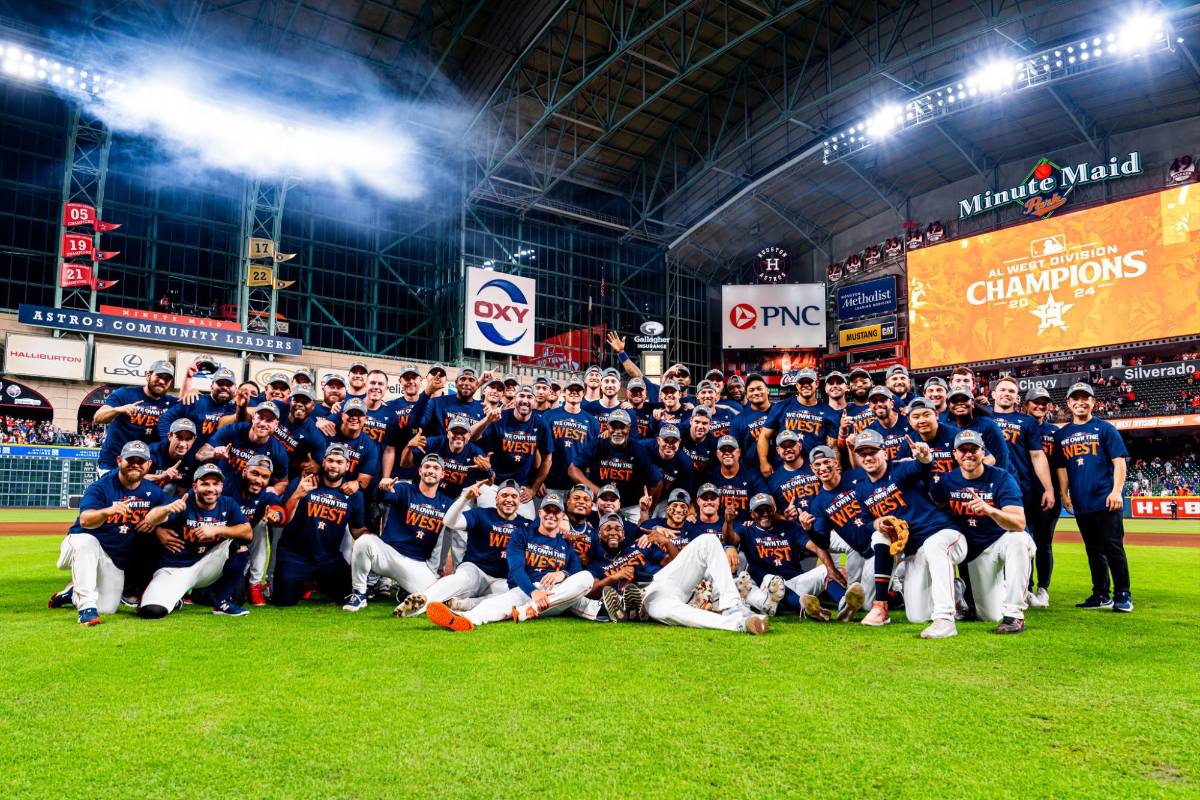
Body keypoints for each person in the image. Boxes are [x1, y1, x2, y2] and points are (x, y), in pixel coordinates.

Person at [852, 428, 966, 638]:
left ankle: (945, 619)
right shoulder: (861, 489)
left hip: (943, 534)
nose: (868, 457)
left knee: (934, 546)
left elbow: (921, 467)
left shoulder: (900, 469)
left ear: (884, 452)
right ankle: (955, 589)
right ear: (857, 457)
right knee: (917, 616)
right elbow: (866, 522)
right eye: (862, 453)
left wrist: (925, 457)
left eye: (873, 451)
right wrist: (876, 521)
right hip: (915, 550)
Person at [425, 492, 595, 631]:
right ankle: (464, 619)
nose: (551, 515)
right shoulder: (522, 535)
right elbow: (516, 569)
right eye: (547, 510)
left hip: (555, 594)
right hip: (527, 590)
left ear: (561, 516)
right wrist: (533, 592)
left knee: (586, 577)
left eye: (556, 511)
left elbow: (577, 572)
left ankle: (530, 610)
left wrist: (562, 574)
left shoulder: (566, 544)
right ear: (540, 513)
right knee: (498, 603)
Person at [49, 440, 167, 625]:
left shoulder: (152, 492)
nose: (135, 464)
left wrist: (157, 524)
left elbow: (165, 513)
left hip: (112, 559)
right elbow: (85, 520)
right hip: (78, 546)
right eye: (130, 459)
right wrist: (107, 511)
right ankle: (86, 608)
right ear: (119, 461)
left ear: (148, 465)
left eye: (141, 460)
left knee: (107, 608)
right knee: (87, 542)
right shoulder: (101, 487)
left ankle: (72, 593)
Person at [928, 430, 1033, 634]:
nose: (968, 454)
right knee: (989, 615)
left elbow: (1019, 523)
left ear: (982, 452)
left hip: (1000, 539)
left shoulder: (1002, 478)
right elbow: (935, 505)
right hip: (975, 551)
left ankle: (1014, 614)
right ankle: (959, 588)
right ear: (955, 454)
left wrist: (990, 509)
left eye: (973, 449)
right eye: (963, 450)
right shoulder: (948, 481)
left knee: (1020, 540)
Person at [394, 478, 529, 617]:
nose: (509, 499)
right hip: (475, 570)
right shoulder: (481, 514)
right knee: (461, 579)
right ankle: (422, 600)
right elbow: (449, 522)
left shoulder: (526, 525)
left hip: (502, 579)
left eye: (514, 496)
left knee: (516, 594)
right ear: (496, 498)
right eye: (504, 495)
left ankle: (463, 604)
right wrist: (465, 498)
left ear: (519, 501)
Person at [1054, 382, 1132, 612]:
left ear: (1093, 402)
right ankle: (1100, 593)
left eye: (1085, 398)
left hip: (1105, 500)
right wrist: (1064, 494)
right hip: (1081, 502)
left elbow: (1119, 462)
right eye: (1075, 398)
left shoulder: (1105, 429)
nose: (1080, 401)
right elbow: (1061, 468)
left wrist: (1117, 491)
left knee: (1113, 548)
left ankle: (1123, 594)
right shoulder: (1062, 434)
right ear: (1068, 403)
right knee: (1092, 549)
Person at [136, 463, 252, 619]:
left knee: (239, 546)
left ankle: (222, 603)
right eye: (205, 484)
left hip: (207, 564)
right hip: (176, 569)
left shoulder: (228, 503)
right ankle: (176, 598)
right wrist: (166, 510)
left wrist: (218, 529)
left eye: (215, 483)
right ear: (195, 486)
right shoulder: (182, 502)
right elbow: (150, 519)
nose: (211, 489)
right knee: (152, 611)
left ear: (222, 486)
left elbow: (248, 533)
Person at [343, 453, 455, 611]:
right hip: (388, 554)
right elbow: (384, 495)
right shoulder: (404, 489)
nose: (431, 470)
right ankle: (359, 594)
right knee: (364, 542)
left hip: (416, 564)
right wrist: (384, 488)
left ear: (442, 474)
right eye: (427, 466)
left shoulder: (447, 503)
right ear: (420, 471)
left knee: (436, 598)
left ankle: (405, 590)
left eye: (436, 468)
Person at [271, 444, 368, 607]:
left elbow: (357, 530)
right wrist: (297, 495)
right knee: (283, 601)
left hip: (328, 559)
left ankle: (314, 583)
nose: (334, 466)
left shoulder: (354, 495)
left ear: (347, 465)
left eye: (339, 462)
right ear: (323, 462)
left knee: (347, 597)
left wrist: (375, 540)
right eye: (330, 460)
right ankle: (303, 582)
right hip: (294, 556)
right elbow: (284, 520)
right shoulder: (303, 482)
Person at [799, 446, 872, 620]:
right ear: (812, 469)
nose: (822, 468)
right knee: (863, 600)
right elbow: (823, 542)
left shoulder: (857, 476)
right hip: (860, 547)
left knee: (873, 596)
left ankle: (895, 594)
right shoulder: (818, 503)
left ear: (836, 462)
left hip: (879, 537)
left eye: (826, 462)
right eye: (817, 464)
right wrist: (809, 530)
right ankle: (847, 604)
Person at [568, 409, 662, 520]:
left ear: (629, 427)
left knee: (639, 533)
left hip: (630, 506)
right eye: (614, 427)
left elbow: (657, 482)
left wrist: (649, 511)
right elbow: (572, 469)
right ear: (607, 426)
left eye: (622, 427)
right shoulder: (598, 443)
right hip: (601, 502)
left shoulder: (638, 449)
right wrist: (597, 492)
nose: (618, 431)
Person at [475, 385, 553, 518]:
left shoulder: (540, 424)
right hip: (493, 485)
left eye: (529, 397)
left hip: (521, 488)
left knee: (526, 527)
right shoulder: (499, 417)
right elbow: (473, 438)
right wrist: (487, 421)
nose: (525, 400)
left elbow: (548, 459)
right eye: (521, 396)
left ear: (534, 401)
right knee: (486, 527)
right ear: (514, 399)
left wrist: (534, 488)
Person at [94, 360, 181, 476]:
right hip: (114, 463)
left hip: (144, 466)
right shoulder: (125, 394)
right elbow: (98, 417)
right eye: (159, 376)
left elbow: (190, 405)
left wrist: (192, 389)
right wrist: (118, 409)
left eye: (167, 379)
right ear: (148, 376)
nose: (162, 381)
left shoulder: (171, 403)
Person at [1024, 386, 1063, 607]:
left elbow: (1060, 466)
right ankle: (1026, 588)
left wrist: (1060, 492)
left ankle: (1043, 589)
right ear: (1026, 404)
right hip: (1024, 493)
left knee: (1044, 543)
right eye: (1035, 401)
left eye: (1044, 402)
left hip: (1049, 495)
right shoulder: (1019, 426)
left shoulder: (1054, 432)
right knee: (1024, 543)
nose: (1039, 406)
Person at [198, 401, 290, 495]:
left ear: (276, 424)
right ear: (253, 418)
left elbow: (282, 482)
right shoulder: (233, 430)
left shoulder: (278, 451)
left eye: (269, 421)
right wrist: (213, 453)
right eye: (260, 418)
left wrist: (273, 491)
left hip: (249, 499)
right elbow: (200, 455)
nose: (263, 423)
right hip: (219, 492)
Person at [756, 368, 834, 476]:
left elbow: (832, 445)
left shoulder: (827, 411)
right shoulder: (781, 406)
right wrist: (763, 461)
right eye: (802, 382)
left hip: (815, 470)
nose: (805, 385)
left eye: (809, 381)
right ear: (797, 385)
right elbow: (764, 436)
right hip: (784, 467)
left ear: (816, 383)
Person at [542, 376, 600, 492]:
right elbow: (539, 449)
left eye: (577, 390)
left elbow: (594, 456)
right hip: (551, 482)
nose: (574, 392)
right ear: (564, 393)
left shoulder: (592, 421)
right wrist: (539, 479)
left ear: (583, 393)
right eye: (570, 389)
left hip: (579, 484)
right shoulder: (549, 416)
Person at [156, 364, 236, 447]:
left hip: (218, 458)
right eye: (220, 383)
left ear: (235, 389)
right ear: (212, 386)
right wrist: (168, 444)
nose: (224, 387)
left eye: (229, 384)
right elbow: (165, 418)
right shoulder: (195, 400)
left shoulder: (236, 410)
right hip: (189, 458)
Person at [145, 418, 201, 496]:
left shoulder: (194, 458)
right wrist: (160, 476)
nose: (182, 444)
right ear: (170, 436)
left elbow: (183, 490)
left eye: (188, 439)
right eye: (179, 437)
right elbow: (132, 478)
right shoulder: (152, 452)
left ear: (194, 440)